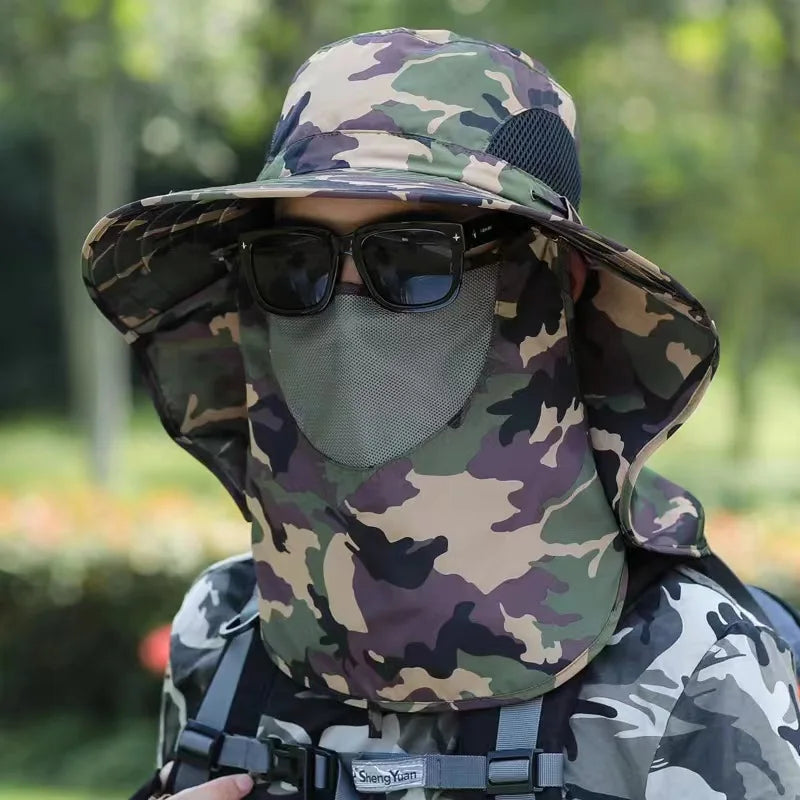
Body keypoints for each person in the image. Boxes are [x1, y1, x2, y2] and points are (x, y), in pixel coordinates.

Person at [81, 28, 800, 800]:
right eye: (294, 263)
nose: (345, 320)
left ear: (558, 280)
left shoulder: (694, 666)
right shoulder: (225, 631)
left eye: (414, 259)